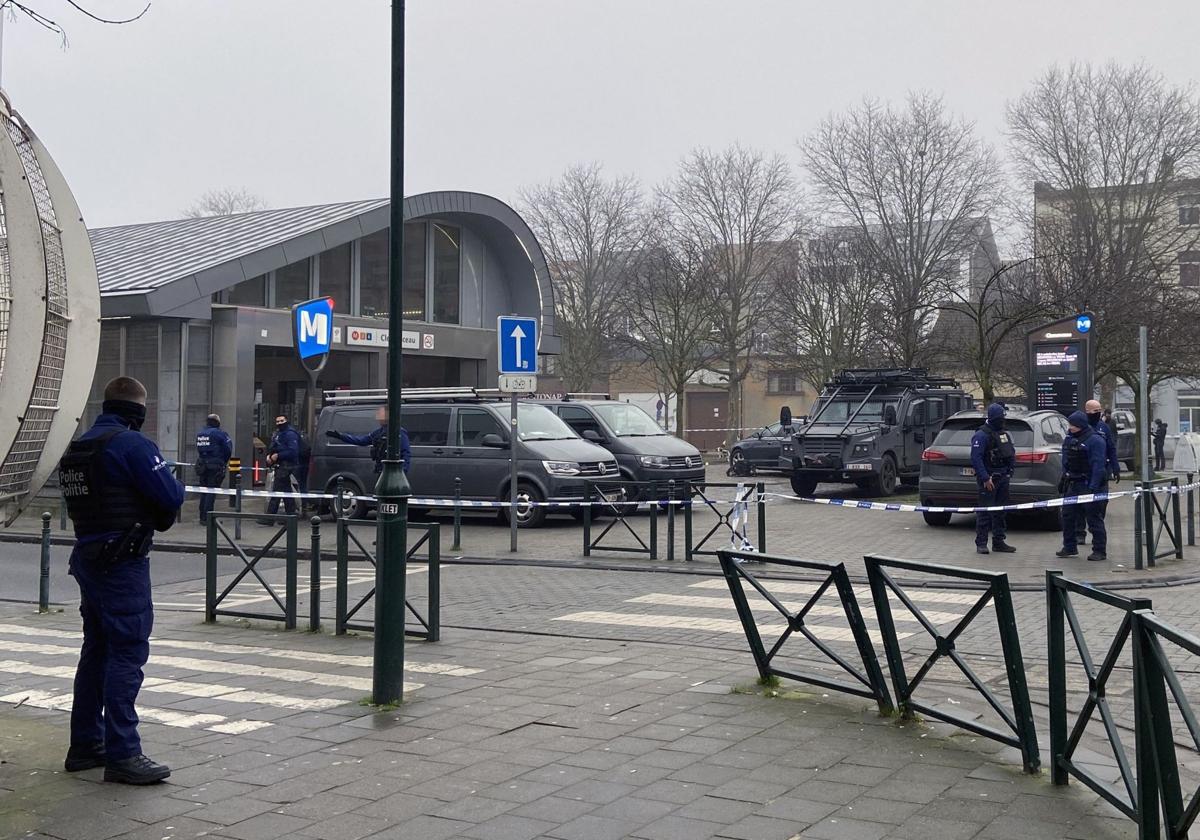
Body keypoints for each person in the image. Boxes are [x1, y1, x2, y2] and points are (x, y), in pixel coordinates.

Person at [57, 376, 185, 784]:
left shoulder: (77, 449)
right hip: (122, 562)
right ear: (138, 411)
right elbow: (171, 497)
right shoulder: (133, 445)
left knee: (96, 651)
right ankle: (123, 754)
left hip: (89, 559)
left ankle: (85, 746)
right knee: (126, 653)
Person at [1057, 410, 1109, 561]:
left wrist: (1092, 487)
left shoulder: (1096, 441)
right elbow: (1065, 460)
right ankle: (1069, 547)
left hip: (1089, 485)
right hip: (1073, 484)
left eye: (1072, 425)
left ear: (1079, 425)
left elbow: (1098, 466)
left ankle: (1099, 550)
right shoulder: (1069, 439)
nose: (1070, 428)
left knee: (1093, 518)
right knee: (1067, 516)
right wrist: (1064, 477)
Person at [970, 402, 1017, 555]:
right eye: (1000, 418)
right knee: (985, 512)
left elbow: (1010, 452)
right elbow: (976, 458)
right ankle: (981, 543)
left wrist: (1010, 471)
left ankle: (999, 541)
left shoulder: (1002, 433)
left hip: (1002, 476)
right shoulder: (981, 435)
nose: (1002, 421)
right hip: (988, 479)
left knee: (1000, 512)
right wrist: (985, 478)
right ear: (993, 418)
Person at [1076, 400, 1120, 547]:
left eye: (1099, 411)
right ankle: (1080, 534)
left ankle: (1096, 533)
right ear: (1087, 412)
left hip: (1102, 471)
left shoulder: (1103, 427)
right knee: (1080, 506)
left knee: (1101, 504)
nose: (1098, 414)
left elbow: (1111, 448)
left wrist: (1115, 467)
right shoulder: (1081, 427)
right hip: (1084, 472)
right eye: (1095, 412)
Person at [326, 405, 411, 475]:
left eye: (380, 413)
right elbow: (362, 440)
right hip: (382, 471)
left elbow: (405, 453)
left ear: (388, 414)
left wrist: (402, 472)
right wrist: (341, 436)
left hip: (393, 473)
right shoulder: (379, 432)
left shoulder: (398, 432)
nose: (377, 415)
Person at [258, 415, 301, 523]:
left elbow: (293, 451)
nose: (279, 423)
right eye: (277, 421)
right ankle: (290, 516)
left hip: (287, 465)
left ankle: (270, 518)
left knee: (277, 491)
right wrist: (270, 455)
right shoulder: (278, 433)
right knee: (286, 491)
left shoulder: (290, 434)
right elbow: (274, 447)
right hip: (281, 465)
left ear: (286, 421)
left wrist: (278, 456)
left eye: (282, 421)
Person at [194, 414, 232, 524]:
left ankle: (202, 516)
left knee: (204, 491)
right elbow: (228, 450)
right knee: (211, 491)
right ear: (217, 422)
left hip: (202, 465)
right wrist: (223, 462)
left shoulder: (200, 434)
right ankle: (208, 518)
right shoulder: (220, 434)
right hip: (215, 466)